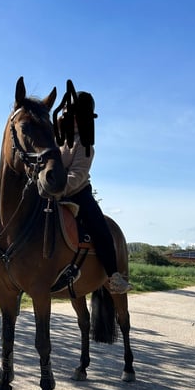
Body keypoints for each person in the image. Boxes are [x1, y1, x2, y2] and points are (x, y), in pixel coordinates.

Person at [57, 90, 132, 294]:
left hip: (78, 194)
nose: (64, 114)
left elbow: (77, 175)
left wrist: (58, 190)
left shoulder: (84, 143)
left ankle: (114, 276)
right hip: (49, 193)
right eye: (64, 110)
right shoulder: (56, 139)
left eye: (69, 111)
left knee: (102, 230)